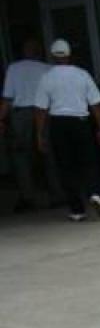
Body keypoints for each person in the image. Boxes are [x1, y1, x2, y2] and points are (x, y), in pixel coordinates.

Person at [34, 38, 100, 221]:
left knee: (66, 167)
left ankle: (77, 210)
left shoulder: (47, 77)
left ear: (52, 56)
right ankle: (94, 193)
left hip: (59, 124)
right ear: (69, 55)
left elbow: (41, 109)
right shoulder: (82, 74)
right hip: (81, 122)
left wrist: (40, 134)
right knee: (89, 161)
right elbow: (96, 104)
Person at [0, 37, 61, 213]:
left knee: (21, 157)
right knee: (49, 155)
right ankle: (56, 194)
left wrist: (1, 119)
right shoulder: (48, 69)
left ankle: (27, 197)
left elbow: (8, 98)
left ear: (24, 52)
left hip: (21, 115)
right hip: (44, 111)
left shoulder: (14, 69)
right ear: (39, 52)